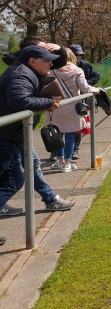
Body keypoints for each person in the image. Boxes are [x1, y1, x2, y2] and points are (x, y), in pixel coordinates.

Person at [0, 46, 74, 216]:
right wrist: (47, 102)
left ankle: (49, 199)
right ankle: (50, 199)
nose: (50, 64)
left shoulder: (28, 71)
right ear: (32, 61)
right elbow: (20, 101)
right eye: (46, 60)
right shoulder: (21, 74)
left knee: (13, 179)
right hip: (7, 135)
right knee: (13, 181)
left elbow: (59, 62)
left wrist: (60, 50)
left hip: (11, 134)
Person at [47, 48, 100, 173]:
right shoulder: (77, 70)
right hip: (72, 106)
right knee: (71, 134)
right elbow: (85, 88)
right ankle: (67, 164)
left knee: (58, 134)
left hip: (56, 106)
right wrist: (96, 90)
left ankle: (59, 161)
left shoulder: (51, 71)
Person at [69, 44, 100, 159]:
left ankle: (75, 149)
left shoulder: (85, 65)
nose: (78, 57)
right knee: (62, 124)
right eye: (76, 55)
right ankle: (57, 151)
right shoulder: (60, 66)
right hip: (65, 99)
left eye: (80, 55)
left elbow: (96, 76)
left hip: (81, 99)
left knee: (79, 123)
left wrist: (86, 84)